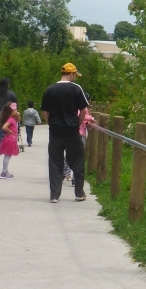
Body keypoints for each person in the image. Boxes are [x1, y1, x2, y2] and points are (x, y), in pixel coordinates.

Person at [41, 62, 90, 203]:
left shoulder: (50, 89)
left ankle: (54, 195)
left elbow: (45, 111)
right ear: (72, 74)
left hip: (55, 132)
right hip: (72, 131)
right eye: (75, 75)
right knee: (78, 162)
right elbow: (84, 110)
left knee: (55, 162)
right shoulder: (76, 89)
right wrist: (78, 124)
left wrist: (51, 123)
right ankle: (79, 193)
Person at [0, 77, 17, 152]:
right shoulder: (11, 94)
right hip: (8, 114)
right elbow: (15, 104)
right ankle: (8, 147)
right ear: (8, 85)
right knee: (10, 130)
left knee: (0, 131)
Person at [0, 102, 20, 178]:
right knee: (7, 156)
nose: (17, 111)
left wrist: (18, 115)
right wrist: (8, 130)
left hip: (12, 139)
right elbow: (4, 127)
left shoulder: (13, 119)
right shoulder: (10, 119)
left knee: (8, 156)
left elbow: (18, 121)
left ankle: (5, 171)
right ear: (11, 111)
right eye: (15, 110)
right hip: (10, 139)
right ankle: (4, 172)